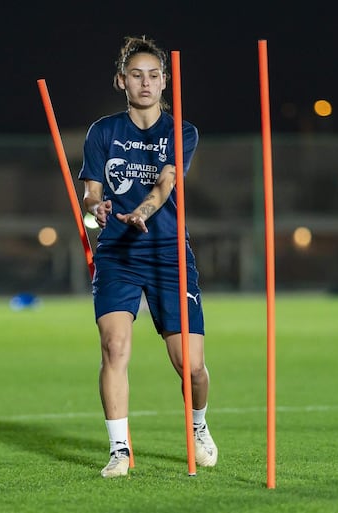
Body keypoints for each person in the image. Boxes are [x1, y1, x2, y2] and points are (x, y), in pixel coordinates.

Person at [78, 35, 217, 478]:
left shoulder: (181, 132)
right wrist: (95, 209)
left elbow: (165, 184)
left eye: (154, 75)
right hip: (117, 253)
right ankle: (120, 450)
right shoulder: (103, 132)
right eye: (136, 75)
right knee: (114, 347)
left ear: (164, 82)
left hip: (167, 254)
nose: (145, 83)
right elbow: (91, 193)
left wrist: (143, 210)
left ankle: (197, 426)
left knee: (190, 367)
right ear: (122, 80)